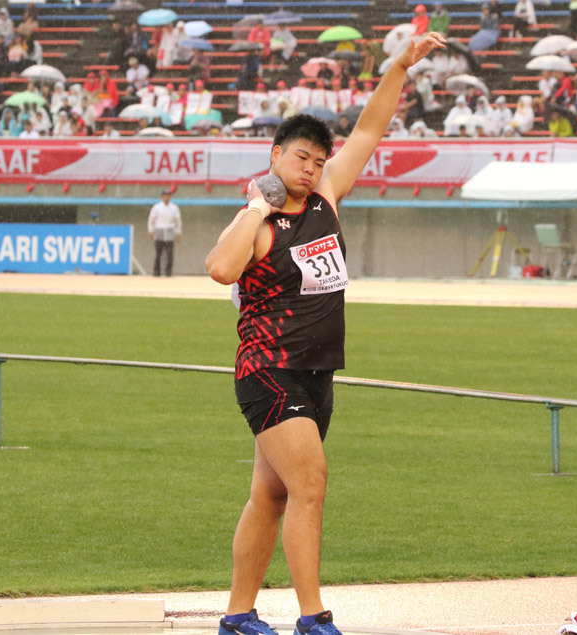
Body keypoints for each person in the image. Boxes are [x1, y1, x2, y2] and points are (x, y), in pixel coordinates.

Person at [204, 32, 446, 635]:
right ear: (275, 156)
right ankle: (313, 619)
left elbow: (369, 129)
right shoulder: (256, 219)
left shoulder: (327, 197)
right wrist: (258, 208)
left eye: (317, 161)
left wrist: (397, 67)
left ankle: (237, 616)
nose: (310, 170)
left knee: (272, 496)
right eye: (300, 159)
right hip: (268, 370)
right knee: (310, 483)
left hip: (316, 372)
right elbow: (219, 269)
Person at [148, 189, 182, 277]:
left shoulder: (174, 208)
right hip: (159, 230)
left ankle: (168, 272)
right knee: (158, 253)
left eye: (168, 195)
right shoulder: (157, 207)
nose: (166, 197)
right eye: (165, 195)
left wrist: (178, 231)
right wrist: (151, 230)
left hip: (170, 230)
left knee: (169, 254)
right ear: (162, 197)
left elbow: (177, 220)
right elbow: (151, 219)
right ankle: (156, 272)